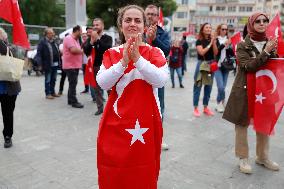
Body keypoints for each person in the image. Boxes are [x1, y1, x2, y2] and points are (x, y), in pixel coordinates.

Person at [96, 5, 168, 188]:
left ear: (144, 25)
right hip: (117, 124)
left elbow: (160, 80)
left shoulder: (155, 52)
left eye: (138, 20)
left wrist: (138, 59)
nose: (133, 24)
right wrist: (124, 62)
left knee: (144, 171)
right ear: (121, 25)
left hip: (146, 124)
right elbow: (103, 82)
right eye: (128, 20)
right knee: (115, 171)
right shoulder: (111, 53)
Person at [223, 12, 279, 174]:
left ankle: (262, 157)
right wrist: (266, 52)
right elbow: (248, 66)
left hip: (264, 91)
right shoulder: (242, 45)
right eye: (258, 21)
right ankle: (243, 158)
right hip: (245, 89)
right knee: (242, 124)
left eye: (265, 21)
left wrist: (273, 52)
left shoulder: (270, 42)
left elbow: (273, 66)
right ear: (251, 24)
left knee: (264, 123)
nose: (262, 23)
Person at [145, 4, 170, 150]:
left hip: (156, 75)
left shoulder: (163, 33)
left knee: (159, 106)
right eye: (148, 13)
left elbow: (166, 50)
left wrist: (154, 39)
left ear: (157, 16)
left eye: (153, 14)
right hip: (139, 74)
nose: (150, 16)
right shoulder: (137, 31)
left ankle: (158, 138)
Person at [83, 18, 112, 115]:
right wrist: (91, 42)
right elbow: (86, 52)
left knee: (109, 88)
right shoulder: (90, 38)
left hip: (106, 66)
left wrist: (98, 39)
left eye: (97, 25)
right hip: (94, 67)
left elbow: (106, 49)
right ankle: (100, 108)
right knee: (96, 88)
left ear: (102, 26)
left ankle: (112, 107)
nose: (95, 27)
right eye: (94, 25)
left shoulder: (107, 38)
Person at [0, 27, 21, 148]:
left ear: (4, 37)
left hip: (9, 88)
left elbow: (4, 50)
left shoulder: (11, 48)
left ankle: (8, 136)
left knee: (7, 113)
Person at [193, 23, 218, 117]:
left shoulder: (213, 40)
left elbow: (216, 53)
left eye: (210, 28)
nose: (209, 29)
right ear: (202, 30)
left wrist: (214, 42)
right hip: (201, 64)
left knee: (209, 87)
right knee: (197, 86)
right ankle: (195, 108)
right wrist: (210, 43)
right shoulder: (199, 41)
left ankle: (205, 107)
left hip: (211, 64)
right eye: (206, 27)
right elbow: (201, 52)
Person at [214, 24, 235, 113]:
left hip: (226, 66)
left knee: (224, 87)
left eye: (226, 29)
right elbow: (216, 52)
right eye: (223, 29)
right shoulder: (215, 39)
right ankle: (220, 102)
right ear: (219, 29)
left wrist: (228, 46)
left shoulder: (230, 40)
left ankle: (221, 103)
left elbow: (232, 54)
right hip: (217, 66)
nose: (225, 31)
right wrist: (223, 44)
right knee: (221, 87)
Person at [62, 25, 84, 108]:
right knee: (73, 83)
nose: (81, 33)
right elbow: (73, 50)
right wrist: (82, 51)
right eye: (81, 31)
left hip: (74, 65)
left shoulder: (76, 40)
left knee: (72, 83)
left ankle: (70, 100)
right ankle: (74, 102)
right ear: (77, 31)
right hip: (70, 66)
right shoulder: (69, 38)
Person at [36, 28, 61, 99]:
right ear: (47, 34)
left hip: (55, 64)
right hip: (47, 64)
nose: (53, 34)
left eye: (53, 33)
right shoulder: (42, 42)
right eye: (51, 33)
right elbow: (39, 53)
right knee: (48, 79)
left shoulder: (54, 41)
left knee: (54, 79)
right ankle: (48, 93)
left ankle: (53, 92)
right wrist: (40, 64)